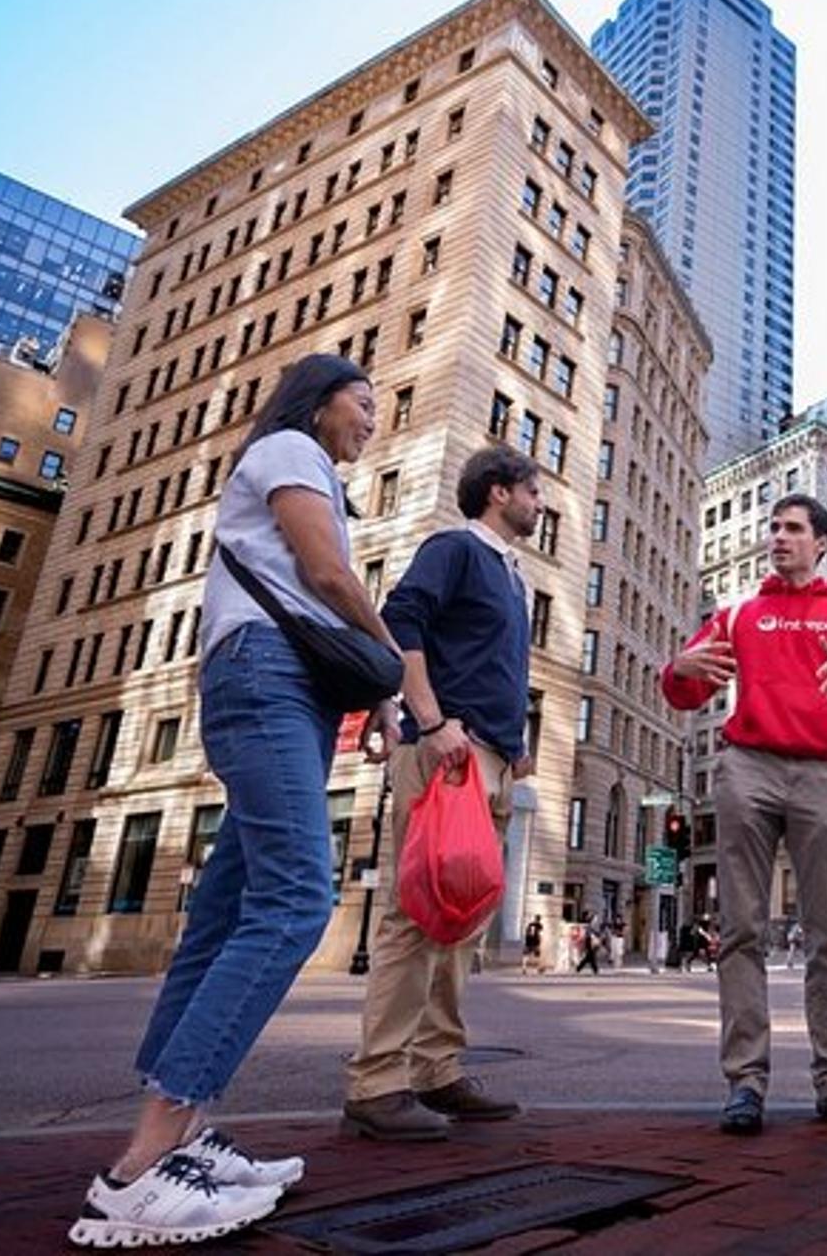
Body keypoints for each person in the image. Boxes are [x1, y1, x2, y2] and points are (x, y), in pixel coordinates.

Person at [70, 355, 391, 1247]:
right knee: (296, 902)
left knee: (221, 918)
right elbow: (329, 576)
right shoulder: (290, 450)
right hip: (267, 678)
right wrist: (393, 673)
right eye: (364, 402)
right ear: (319, 401)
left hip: (279, 685)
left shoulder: (300, 461)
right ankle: (140, 1169)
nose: (373, 420)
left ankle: (184, 1137)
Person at [661, 492, 827, 1135]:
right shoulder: (740, 613)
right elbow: (685, 688)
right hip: (747, 767)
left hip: (822, 773)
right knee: (740, 929)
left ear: (821, 542)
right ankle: (745, 1083)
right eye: (773, 527)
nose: (778, 536)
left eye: (793, 528)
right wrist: (677, 668)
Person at [341, 446, 539, 1140]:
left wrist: (515, 747)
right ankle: (377, 1082)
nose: (539, 503)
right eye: (532, 491)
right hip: (447, 753)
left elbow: (494, 664)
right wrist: (430, 720)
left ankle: (435, 1069)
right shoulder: (454, 549)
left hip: (492, 759)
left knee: (462, 917)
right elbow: (401, 621)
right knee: (416, 914)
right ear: (498, 492)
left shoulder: (514, 577)